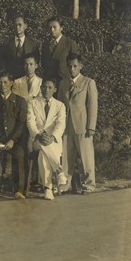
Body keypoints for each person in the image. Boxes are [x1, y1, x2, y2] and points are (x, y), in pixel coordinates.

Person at [0, 72, 28, 200]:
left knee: (19, 155)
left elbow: (21, 124)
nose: (2, 85)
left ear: (11, 83)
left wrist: (13, 139)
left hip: (15, 141)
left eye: (5, 82)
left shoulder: (20, 101)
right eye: (0, 82)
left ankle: (19, 190)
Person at [57, 53, 98, 194]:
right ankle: (65, 184)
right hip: (66, 126)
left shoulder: (88, 82)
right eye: (69, 66)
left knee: (86, 157)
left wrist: (91, 126)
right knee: (66, 157)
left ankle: (89, 185)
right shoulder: (63, 84)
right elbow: (59, 106)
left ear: (81, 66)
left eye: (75, 66)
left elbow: (92, 106)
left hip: (82, 126)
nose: (72, 69)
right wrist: (59, 125)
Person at [27, 78, 68, 200]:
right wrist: (38, 135)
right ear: (40, 88)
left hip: (53, 141)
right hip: (36, 138)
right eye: (44, 87)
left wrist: (52, 137)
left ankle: (48, 188)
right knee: (42, 145)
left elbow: (61, 124)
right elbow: (30, 123)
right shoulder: (32, 102)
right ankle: (58, 170)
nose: (46, 90)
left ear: (55, 90)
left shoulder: (60, 105)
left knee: (43, 155)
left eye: (50, 87)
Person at [1, 16, 40, 80]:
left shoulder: (33, 44)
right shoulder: (6, 44)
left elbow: (36, 62)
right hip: (11, 78)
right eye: (15, 25)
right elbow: (3, 61)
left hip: (27, 78)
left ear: (25, 26)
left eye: (20, 25)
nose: (17, 27)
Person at [41, 16, 78, 82]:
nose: (52, 30)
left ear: (61, 28)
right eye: (50, 27)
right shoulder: (45, 44)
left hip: (64, 81)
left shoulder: (70, 43)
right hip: (48, 82)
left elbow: (74, 65)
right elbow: (43, 63)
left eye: (54, 27)